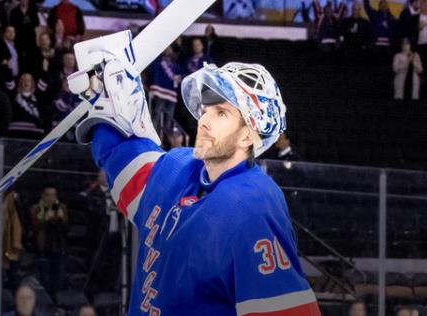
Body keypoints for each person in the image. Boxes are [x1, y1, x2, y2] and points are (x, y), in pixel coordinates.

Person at [71, 55, 319, 314]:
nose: (204, 121)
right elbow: (123, 159)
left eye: (221, 113)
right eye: (205, 110)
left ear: (248, 134)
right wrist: (105, 111)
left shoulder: (252, 205)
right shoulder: (179, 166)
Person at [30, 184, 69, 295]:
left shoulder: (62, 208)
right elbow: (33, 227)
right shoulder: (36, 208)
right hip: (43, 246)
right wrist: (45, 219)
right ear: (43, 196)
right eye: (48, 195)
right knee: (44, 277)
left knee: (58, 276)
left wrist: (62, 219)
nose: (51, 198)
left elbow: (67, 229)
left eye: (53, 195)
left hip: (59, 246)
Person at [148, 45, 181, 134]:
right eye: (165, 48)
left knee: (169, 117)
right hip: (160, 91)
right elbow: (152, 71)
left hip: (171, 93)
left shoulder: (175, 63)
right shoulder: (157, 61)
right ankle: (153, 137)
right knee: (157, 114)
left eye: (169, 48)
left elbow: (179, 75)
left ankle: (167, 139)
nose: (167, 50)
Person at [7, 73, 45, 139]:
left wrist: (45, 70)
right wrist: (8, 68)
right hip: (16, 134)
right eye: (24, 80)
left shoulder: (38, 98)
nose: (26, 82)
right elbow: (9, 82)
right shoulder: (14, 96)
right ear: (20, 82)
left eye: (29, 80)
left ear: (32, 83)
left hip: (34, 135)